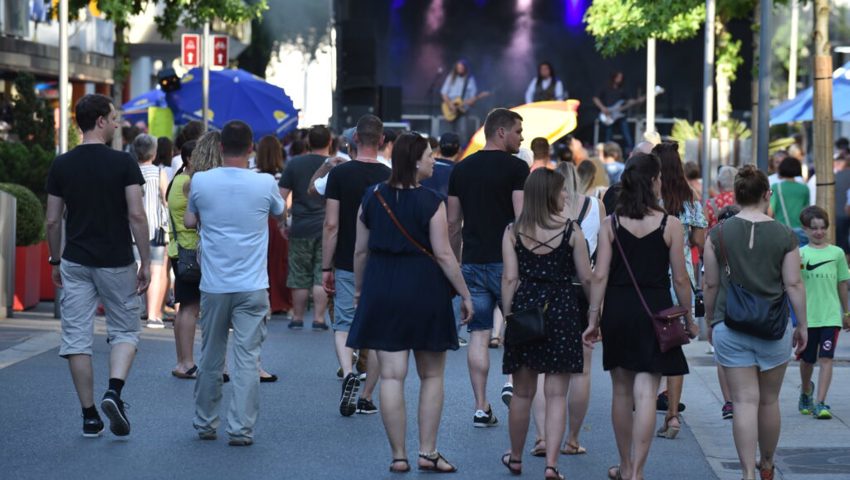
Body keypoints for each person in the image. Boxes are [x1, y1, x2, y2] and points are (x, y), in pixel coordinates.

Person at [347, 133, 473, 473]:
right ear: (415, 161)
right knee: (432, 375)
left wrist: (360, 291)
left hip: (381, 286)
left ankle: (399, 455)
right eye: (430, 155)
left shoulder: (371, 197)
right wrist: (464, 293)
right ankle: (428, 451)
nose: (434, 160)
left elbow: (360, 250)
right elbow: (445, 255)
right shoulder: (433, 202)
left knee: (391, 376)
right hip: (424, 289)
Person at [583, 152, 697, 480]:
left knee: (621, 391)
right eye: (659, 177)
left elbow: (599, 276)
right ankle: (638, 471)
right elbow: (679, 278)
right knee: (647, 391)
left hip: (618, 310)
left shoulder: (611, 224)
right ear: (652, 181)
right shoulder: (670, 224)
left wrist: (593, 318)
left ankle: (624, 463)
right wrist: (688, 317)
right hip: (656, 310)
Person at [46, 93, 150, 438]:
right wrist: (146, 261)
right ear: (101, 121)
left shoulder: (61, 164)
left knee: (76, 338)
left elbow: (52, 220)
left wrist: (55, 259)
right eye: (115, 117)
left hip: (75, 259)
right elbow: (136, 213)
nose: (118, 122)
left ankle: (89, 415)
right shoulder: (123, 163)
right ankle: (114, 391)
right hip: (116, 260)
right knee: (124, 331)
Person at [703, 165, 807, 480]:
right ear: (767, 194)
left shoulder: (718, 233)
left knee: (744, 402)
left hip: (730, 324)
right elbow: (793, 284)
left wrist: (710, 320)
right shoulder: (785, 234)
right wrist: (802, 325)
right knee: (769, 400)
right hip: (773, 326)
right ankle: (767, 463)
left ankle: (747, 472)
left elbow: (710, 284)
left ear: (736, 195)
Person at [186, 120, 286, 446]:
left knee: (211, 355)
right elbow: (280, 211)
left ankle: (204, 423)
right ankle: (241, 429)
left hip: (214, 284)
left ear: (218, 146)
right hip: (253, 284)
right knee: (247, 359)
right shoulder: (265, 183)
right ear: (251, 148)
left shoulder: (200, 181)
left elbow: (189, 220)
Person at [499, 169, 592, 480]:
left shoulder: (513, 231)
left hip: (526, 309)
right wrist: (595, 313)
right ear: (551, 194)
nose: (566, 195)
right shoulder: (572, 232)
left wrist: (508, 319)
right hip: (563, 309)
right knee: (556, 395)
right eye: (563, 191)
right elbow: (586, 277)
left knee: (523, 393)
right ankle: (551, 465)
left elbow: (510, 278)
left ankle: (515, 458)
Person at [448, 108, 530, 427]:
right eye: (518, 131)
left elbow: (453, 223)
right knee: (515, 327)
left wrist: (455, 263)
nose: (521, 137)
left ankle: (480, 406)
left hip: (472, 261)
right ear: (500, 132)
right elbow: (521, 219)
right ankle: (510, 383)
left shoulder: (461, 169)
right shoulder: (517, 168)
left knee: (479, 333)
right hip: (508, 262)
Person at [322, 114, 391, 417]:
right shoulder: (390, 176)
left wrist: (326, 266)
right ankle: (366, 395)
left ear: (353, 142)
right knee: (376, 329)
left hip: (347, 258)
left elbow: (331, 225)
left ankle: (349, 370)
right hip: (382, 260)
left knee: (343, 323)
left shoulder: (340, 175)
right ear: (382, 141)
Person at [653, 141, 707, 439]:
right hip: (680, 278)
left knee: (649, 350)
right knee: (673, 350)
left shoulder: (647, 199)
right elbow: (700, 240)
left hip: (651, 281)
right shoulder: (690, 198)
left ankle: (647, 409)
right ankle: (672, 416)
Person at [797, 206, 849, 420]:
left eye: (822, 228)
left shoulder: (836, 253)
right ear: (805, 229)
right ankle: (806, 391)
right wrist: (795, 321)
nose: (818, 232)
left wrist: (846, 312)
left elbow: (843, 284)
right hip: (808, 318)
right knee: (807, 360)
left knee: (826, 358)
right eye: (814, 228)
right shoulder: (800, 254)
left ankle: (821, 402)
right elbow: (795, 286)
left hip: (830, 316)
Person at [279, 125, 332, 331]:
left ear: (308, 142)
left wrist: (283, 222)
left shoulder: (295, 164)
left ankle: (298, 317)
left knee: (299, 274)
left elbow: (281, 197)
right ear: (329, 142)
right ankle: (319, 319)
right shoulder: (335, 165)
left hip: (300, 226)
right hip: (326, 226)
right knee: (321, 272)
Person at [167, 140, 200, 379]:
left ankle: (182, 361)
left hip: (178, 250)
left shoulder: (177, 181)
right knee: (190, 308)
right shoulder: (188, 183)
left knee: (185, 308)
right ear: (189, 159)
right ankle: (186, 362)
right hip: (189, 251)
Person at [133, 133, 170, 329]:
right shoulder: (159, 173)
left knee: (134, 268)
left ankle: (134, 309)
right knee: (156, 270)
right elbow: (166, 199)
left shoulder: (130, 171)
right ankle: (153, 314)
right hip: (155, 229)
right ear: (154, 153)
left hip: (132, 231)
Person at [256, 135, 292, 316]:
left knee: (260, 262)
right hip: (277, 222)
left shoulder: (253, 173)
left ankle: (263, 300)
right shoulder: (282, 174)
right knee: (279, 264)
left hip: (257, 221)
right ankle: (280, 301)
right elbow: (286, 203)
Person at [769, 156, 810, 246]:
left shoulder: (775, 187)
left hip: (781, 229)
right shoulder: (804, 188)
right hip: (801, 230)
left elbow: (770, 211)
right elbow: (807, 210)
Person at [593, 71, 634, 152]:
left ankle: (630, 149)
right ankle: (607, 151)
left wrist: (632, 103)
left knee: (626, 132)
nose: (620, 79)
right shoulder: (605, 88)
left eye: (621, 78)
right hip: (608, 115)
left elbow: (630, 101)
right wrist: (603, 108)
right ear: (614, 77)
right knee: (608, 133)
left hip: (619, 116)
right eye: (618, 77)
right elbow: (595, 98)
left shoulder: (622, 90)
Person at [440, 60, 480, 144]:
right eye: (458, 67)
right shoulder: (451, 77)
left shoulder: (469, 79)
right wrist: (450, 105)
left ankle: (462, 154)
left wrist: (472, 101)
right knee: (448, 134)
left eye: (461, 67)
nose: (460, 69)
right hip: (450, 108)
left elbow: (472, 98)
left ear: (465, 68)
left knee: (462, 135)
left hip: (462, 110)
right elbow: (444, 93)